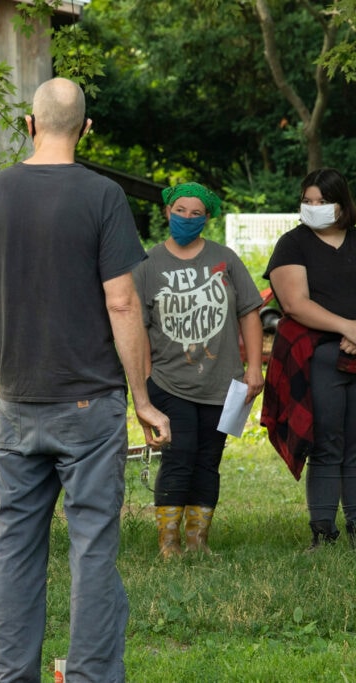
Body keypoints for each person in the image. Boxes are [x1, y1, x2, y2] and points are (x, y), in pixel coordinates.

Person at [0, 78, 171, 683]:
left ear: (29, 123)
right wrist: (144, 399)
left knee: (14, 550)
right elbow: (123, 304)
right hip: (88, 406)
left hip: (18, 404)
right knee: (93, 548)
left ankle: (11, 675)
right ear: (86, 128)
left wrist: (4, 381)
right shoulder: (102, 196)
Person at [262, 168, 356, 550]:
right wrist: (347, 328)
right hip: (316, 358)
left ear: (342, 204)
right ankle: (322, 533)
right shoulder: (292, 244)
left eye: (322, 201)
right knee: (325, 445)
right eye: (308, 201)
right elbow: (294, 303)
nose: (314, 207)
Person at [133, 183, 263, 558]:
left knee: (208, 460)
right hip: (167, 381)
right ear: (166, 212)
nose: (186, 219)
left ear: (208, 217)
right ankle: (169, 544)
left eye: (195, 213)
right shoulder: (147, 264)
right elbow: (137, 329)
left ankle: (198, 541)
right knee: (179, 454)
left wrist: (254, 368)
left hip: (223, 384)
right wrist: (143, 384)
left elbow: (249, 312)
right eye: (179, 210)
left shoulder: (226, 259)